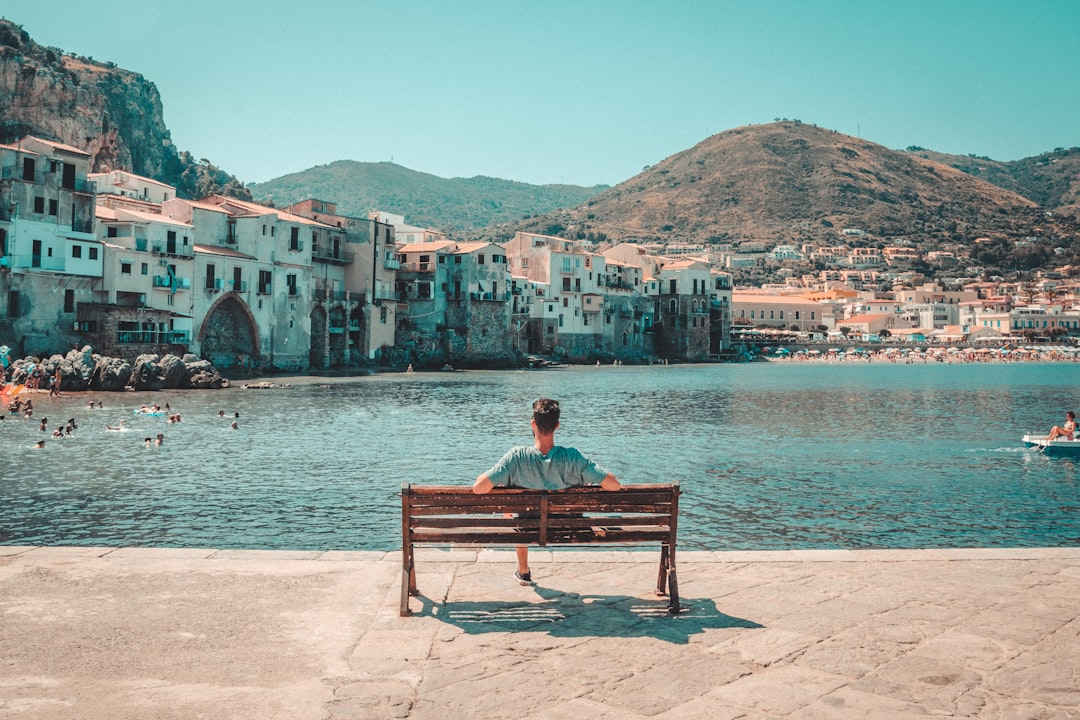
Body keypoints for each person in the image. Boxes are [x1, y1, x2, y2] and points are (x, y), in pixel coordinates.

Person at [473, 398, 620, 584]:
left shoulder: (516, 458)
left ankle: (523, 569)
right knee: (516, 511)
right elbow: (614, 485)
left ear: (533, 424)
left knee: (511, 512)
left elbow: (478, 488)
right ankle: (523, 568)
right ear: (557, 426)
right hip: (566, 528)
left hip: (527, 527)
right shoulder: (573, 457)